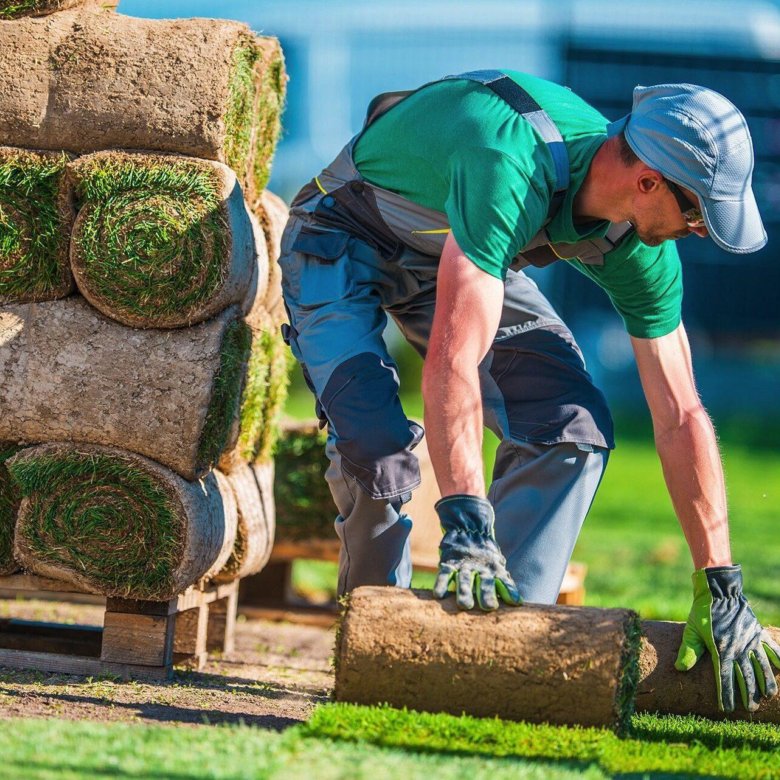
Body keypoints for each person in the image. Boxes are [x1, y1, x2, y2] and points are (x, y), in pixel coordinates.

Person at [277, 70, 779, 713]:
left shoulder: (641, 245)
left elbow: (681, 411)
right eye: (697, 212)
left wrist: (722, 583)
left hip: (460, 254)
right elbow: (455, 358)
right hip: (340, 236)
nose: (700, 231)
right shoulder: (509, 160)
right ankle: (381, 657)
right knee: (378, 455)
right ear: (648, 180)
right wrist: (463, 518)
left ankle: (489, 654)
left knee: (572, 430)